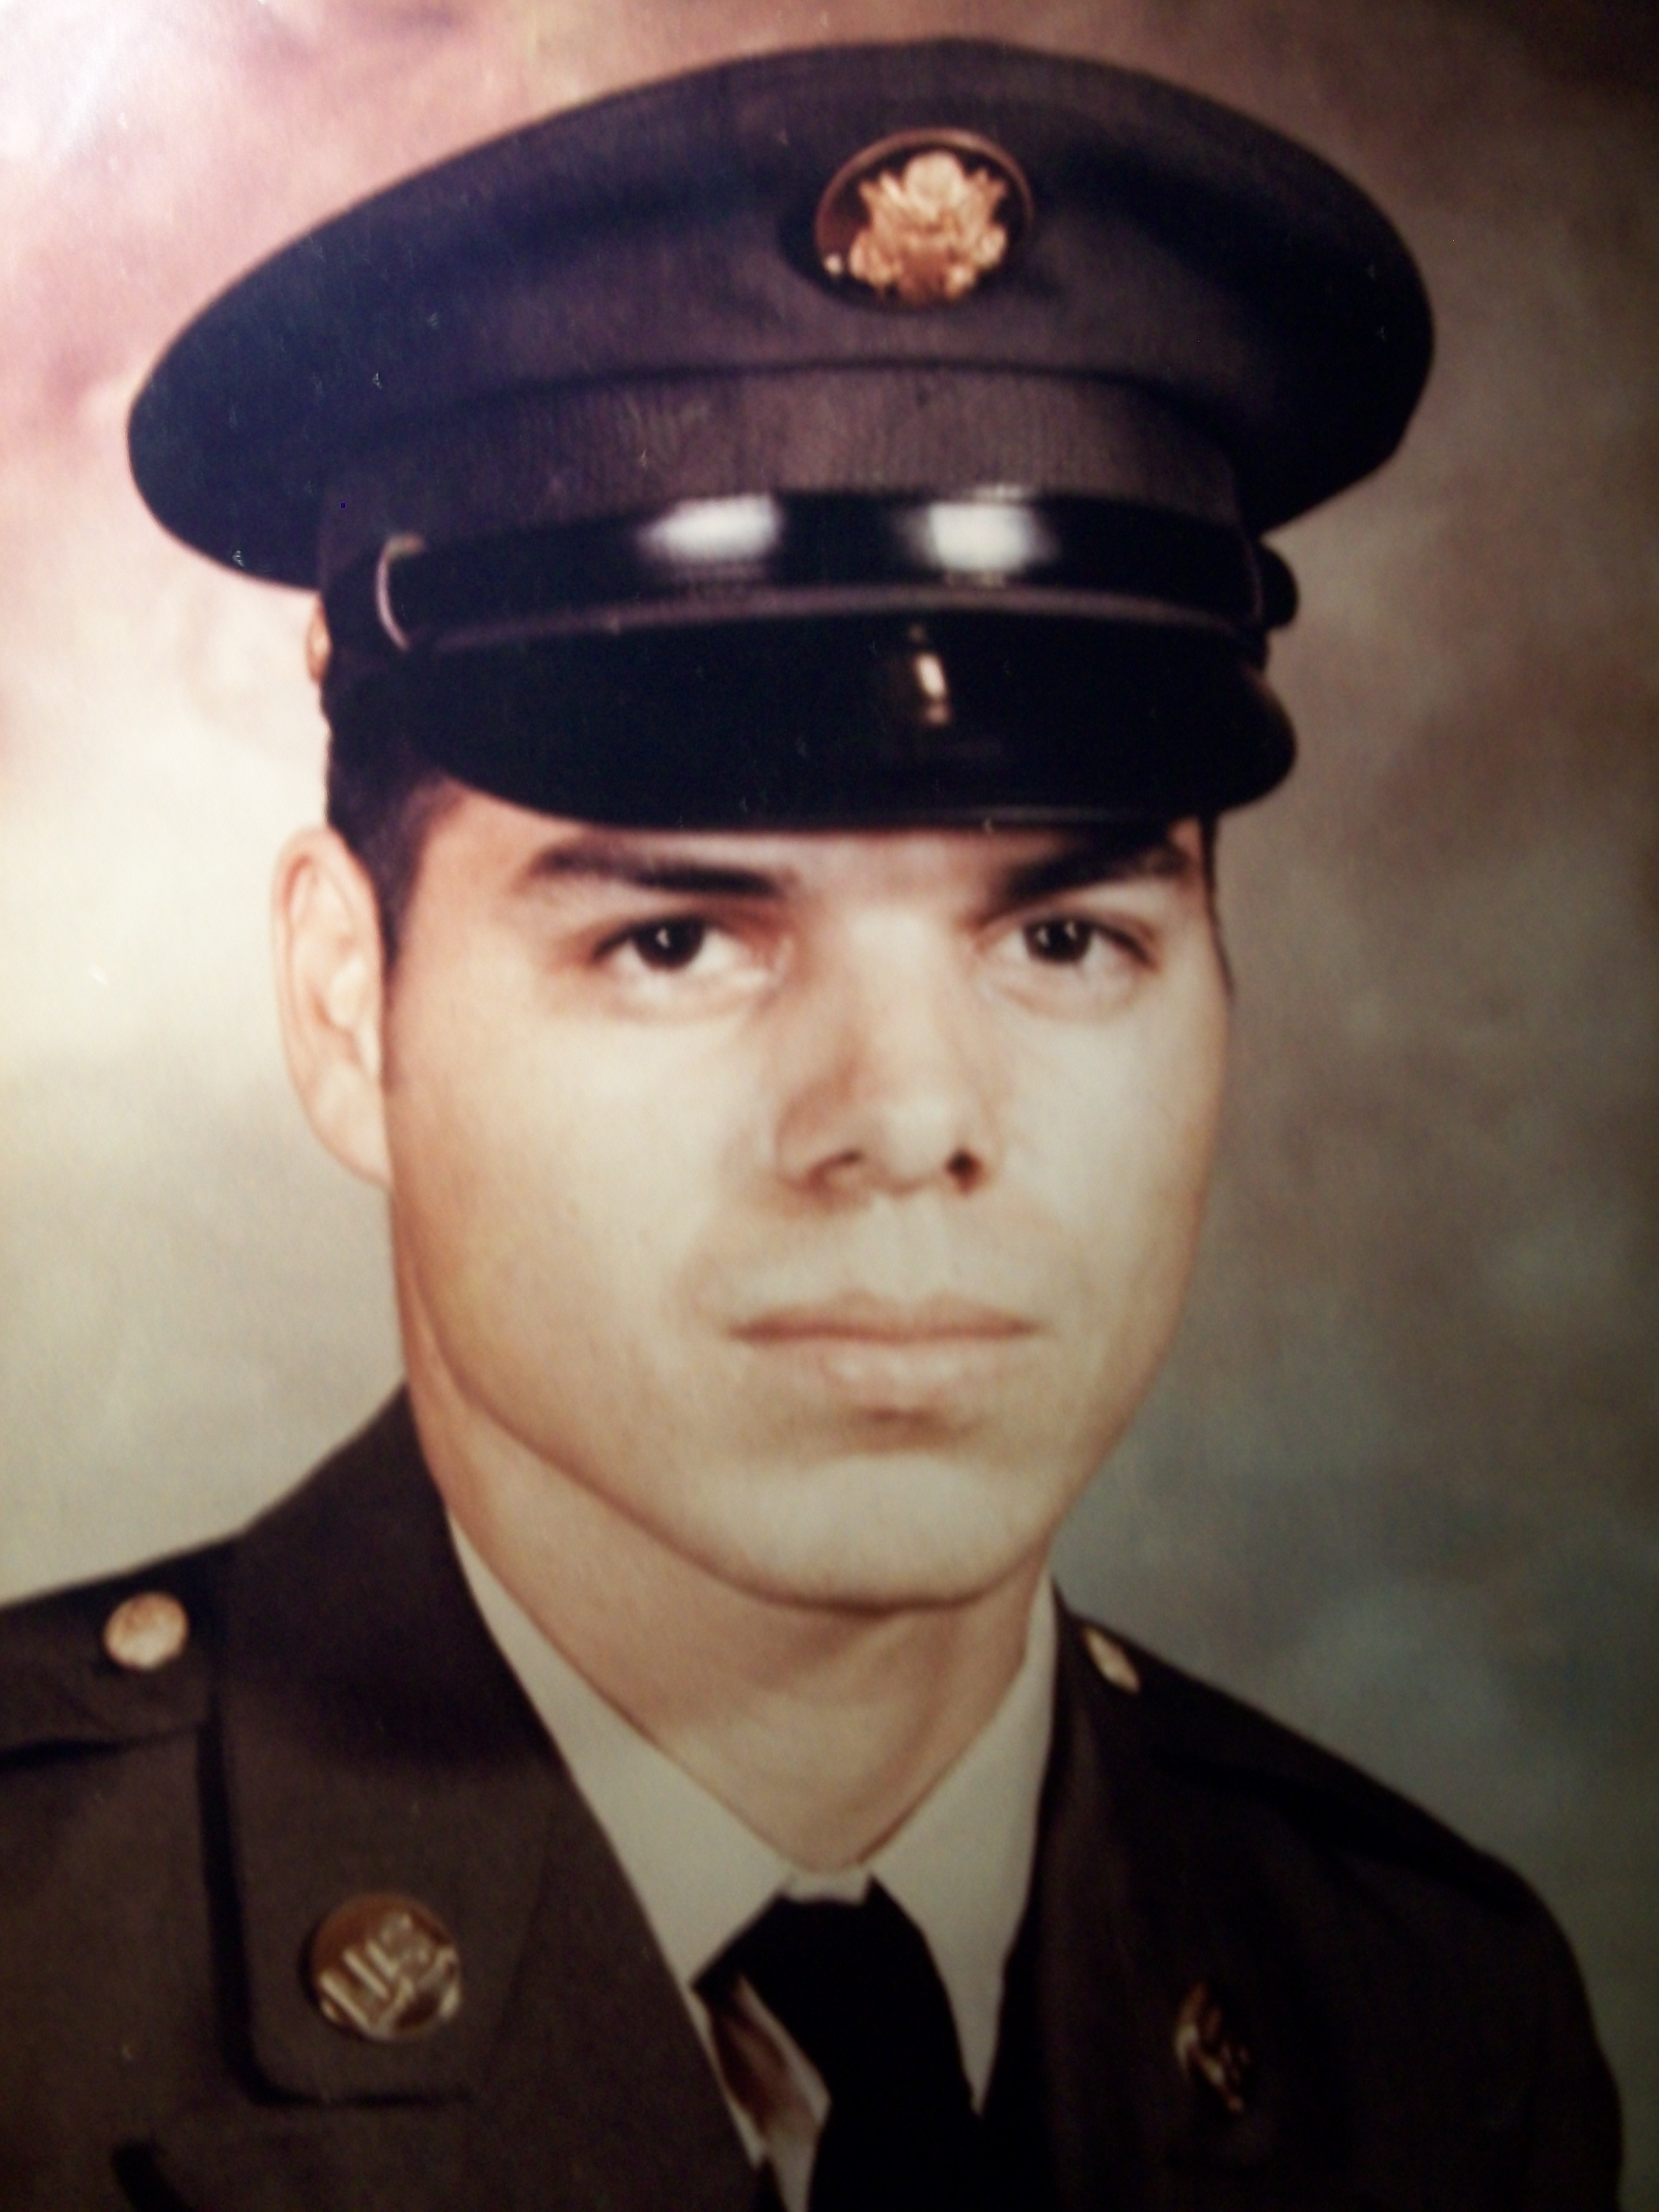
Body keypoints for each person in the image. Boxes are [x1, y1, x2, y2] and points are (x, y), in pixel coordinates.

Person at [0, 37, 1622, 2211]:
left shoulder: (1428, 2027)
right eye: (678, 939)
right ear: (344, 1002)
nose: (909, 1116)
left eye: (1061, 936)